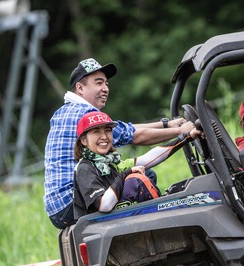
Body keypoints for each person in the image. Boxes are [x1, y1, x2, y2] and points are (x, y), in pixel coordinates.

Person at [44, 57, 195, 229]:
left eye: (106, 84)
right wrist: (180, 131)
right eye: (99, 83)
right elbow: (136, 136)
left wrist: (167, 124)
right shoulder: (85, 115)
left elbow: (125, 129)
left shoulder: (63, 112)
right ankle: (163, 227)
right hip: (76, 202)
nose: (105, 89)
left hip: (57, 207)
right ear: (80, 88)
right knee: (138, 180)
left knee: (147, 173)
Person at [73, 111, 201, 217]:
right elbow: (104, 205)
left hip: (114, 219)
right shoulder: (85, 168)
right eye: (96, 132)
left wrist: (186, 137)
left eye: (107, 130)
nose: (104, 137)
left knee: (147, 172)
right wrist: (126, 174)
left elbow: (149, 158)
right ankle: (167, 216)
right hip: (98, 226)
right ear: (84, 140)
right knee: (135, 180)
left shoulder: (109, 162)